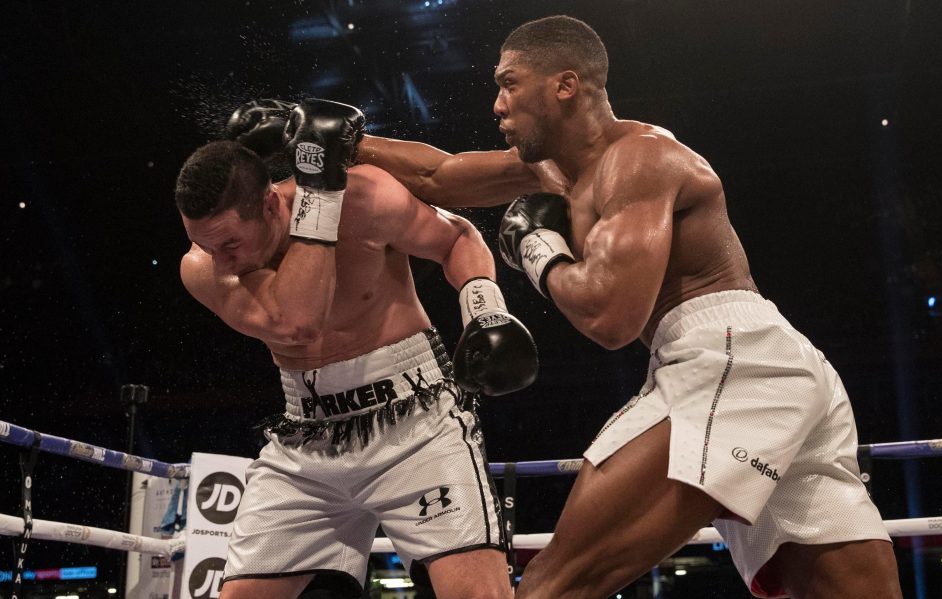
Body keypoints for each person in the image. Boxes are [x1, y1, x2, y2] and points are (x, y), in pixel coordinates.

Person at [328, 15, 903, 599]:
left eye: (509, 83)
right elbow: (440, 175)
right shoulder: (553, 168)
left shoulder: (640, 160)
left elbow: (610, 317)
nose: (497, 105)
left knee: (555, 584)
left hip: (730, 359)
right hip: (765, 365)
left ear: (565, 85)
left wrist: (537, 248)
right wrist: (334, 141)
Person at [174, 98, 538, 599]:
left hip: (416, 422)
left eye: (229, 243)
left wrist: (484, 309)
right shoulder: (203, 269)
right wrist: (320, 193)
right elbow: (298, 323)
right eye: (205, 244)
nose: (221, 261)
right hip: (306, 438)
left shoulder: (364, 198)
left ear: (271, 203)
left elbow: (457, 238)